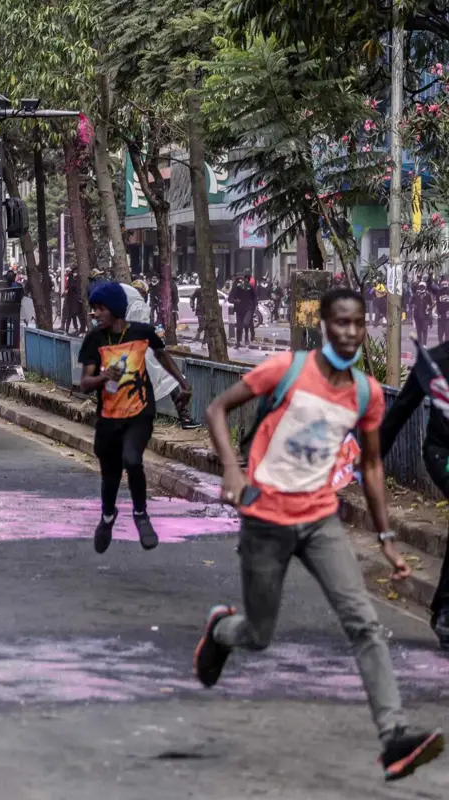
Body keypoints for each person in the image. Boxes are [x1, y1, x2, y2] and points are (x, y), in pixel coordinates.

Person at [195, 288, 444, 782]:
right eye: (341, 323)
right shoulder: (286, 369)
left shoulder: (368, 393)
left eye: (357, 324)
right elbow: (217, 410)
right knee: (259, 635)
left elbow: (371, 465)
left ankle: (394, 735)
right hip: (266, 518)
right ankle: (222, 631)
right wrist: (231, 471)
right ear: (324, 326)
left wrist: (386, 536)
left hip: (320, 521)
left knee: (364, 623)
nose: (350, 333)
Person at [79, 281, 192, 552]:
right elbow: (84, 382)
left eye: (101, 308)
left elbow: (162, 357)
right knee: (111, 475)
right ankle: (107, 517)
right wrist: (103, 376)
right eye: (93, 308)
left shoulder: (142, 333)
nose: (96, 313)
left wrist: (183, 386)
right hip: (108, 417)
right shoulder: (95, 340)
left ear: (116, 309)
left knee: (132, 459)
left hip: (140, 412)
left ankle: (141, 514)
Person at [379, 337, 449, 650]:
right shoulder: (432, 363)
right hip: (442, 453)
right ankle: (445, 610)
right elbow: (402, 409)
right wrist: (371, 460)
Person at [124, 281, 200, 429]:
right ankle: (185, 417)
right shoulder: (139, 306)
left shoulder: (129, 307)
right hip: (144, 354)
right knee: (170, 379)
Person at [230, 273, 257, 346]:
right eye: (239, 281)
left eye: (242, 280)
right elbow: (230, 298)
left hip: (248, 309)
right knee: (239, 327)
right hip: (239, 310)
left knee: (246, 324)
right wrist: (235, 300)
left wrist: (254, 306)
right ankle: (238, 342)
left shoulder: (249, 287)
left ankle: (247, 338)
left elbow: (254, 297)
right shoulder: (235, 288)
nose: (241, 282)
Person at [413, 281, 434, 346]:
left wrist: (429, 307)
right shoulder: (416, 295)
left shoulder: (428, 295)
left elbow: (432, 305)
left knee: (425, 330)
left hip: (425, 316)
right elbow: (410, 303)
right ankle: (420, 344)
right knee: (419, 331)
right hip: (417, 316)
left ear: (425, 287)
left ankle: (424, 344)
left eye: (423, 287)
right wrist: (413, 305)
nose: (421, 288)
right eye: (420, 287)